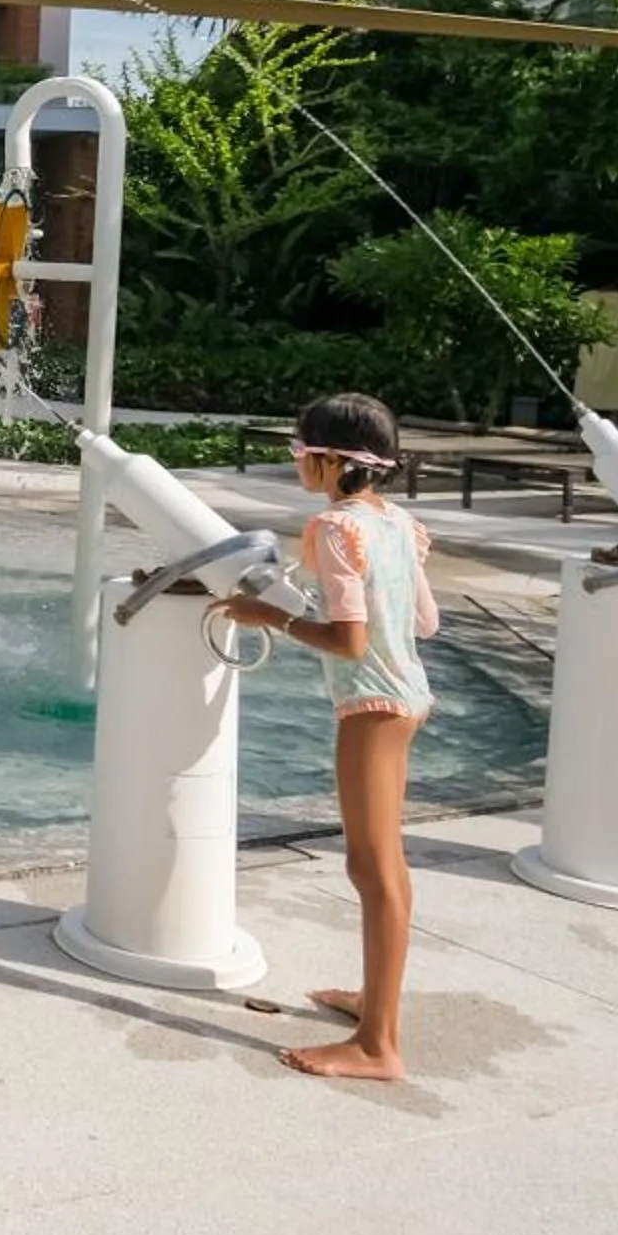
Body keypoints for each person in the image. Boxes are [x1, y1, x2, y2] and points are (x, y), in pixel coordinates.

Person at [215, 390, 439, 1082]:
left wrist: (269, 616)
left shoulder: (335, 530)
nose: (297, 463)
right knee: (386, 867)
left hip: (371, 706)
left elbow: (348, 642)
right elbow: (422, 623)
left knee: (371, 870)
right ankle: (378, 1002)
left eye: (300, 451)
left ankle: (378, 1046)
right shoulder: (398, 523)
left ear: (332, 460)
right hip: (408, 699)